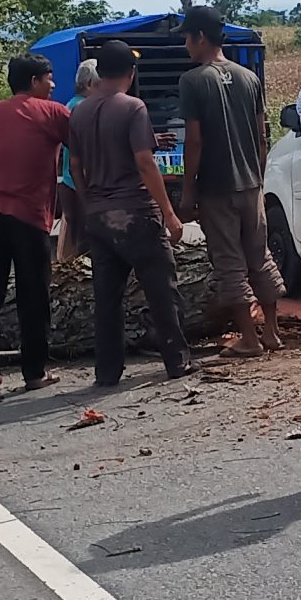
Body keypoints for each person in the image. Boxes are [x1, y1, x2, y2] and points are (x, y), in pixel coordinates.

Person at [68, 41, 192, 387]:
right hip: (136, 212)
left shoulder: (79, 112)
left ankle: (107, 371)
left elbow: (75, 165)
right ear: (130, 73)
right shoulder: (133, 107)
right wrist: (169, 213)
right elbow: (143, 161)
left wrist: (88, 201)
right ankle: (177, 360)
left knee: (107, 298)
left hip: (99, 215)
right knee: (161, 289)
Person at [0, 53, 72, 402]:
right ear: (35, 81)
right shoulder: (53, 113)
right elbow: (85, 145)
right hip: (29, 218)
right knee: (33, 296)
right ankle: (34, 372)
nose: (53, 85)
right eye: (49, 79)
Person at [176, 5, 288, 356]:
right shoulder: (248, 78)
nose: (186, 46)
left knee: (229, 263)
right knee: (260, 257)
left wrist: (189, 188)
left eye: (187, 38)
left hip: (216, 187)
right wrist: (258, 174)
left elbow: (194, 140)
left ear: (200, 37)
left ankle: (249, 340)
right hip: (250, 185)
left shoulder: (192, 81)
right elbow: (261, 135)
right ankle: (271, 332)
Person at [55, 60, 99, 265]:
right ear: (90, 84)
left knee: (80, 236)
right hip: (83, 182)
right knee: (89, 240)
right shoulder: (84, 108)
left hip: (70, 181)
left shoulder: (70, 105)